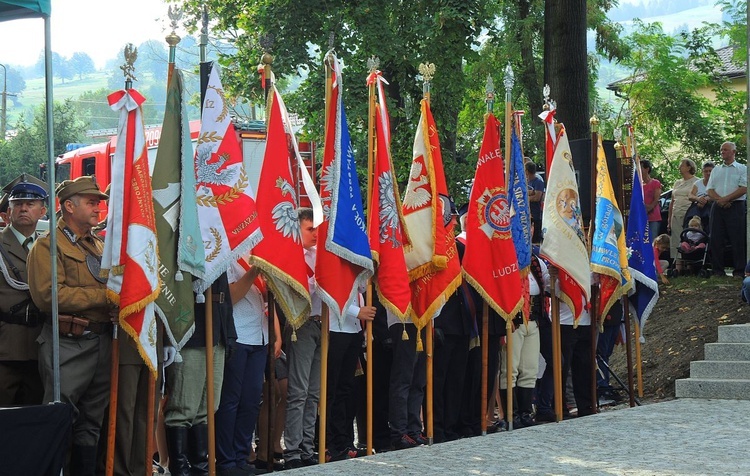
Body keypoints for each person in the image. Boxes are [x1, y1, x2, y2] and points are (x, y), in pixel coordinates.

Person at [27, 176, 113, 475]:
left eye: (99, 203)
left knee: (93, 420)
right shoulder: (48, 247)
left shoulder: (99, 246)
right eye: (91, 202)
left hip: (101, 340)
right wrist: (104, 297)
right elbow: (49, 296)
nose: (98, 208)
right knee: (60, 416)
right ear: (68, 206)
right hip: (68, 343)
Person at [164, 272, 236, 476]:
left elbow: (224, 295)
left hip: (217, 330)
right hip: (190, 331)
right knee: (184, 407)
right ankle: (180, 470)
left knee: (208, 408)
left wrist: (229, 333)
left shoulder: (217, 241)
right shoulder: (186, 241)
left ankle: (200, 469)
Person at [215, 259, 279, 476]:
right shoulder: (230, 255)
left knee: (251, 402)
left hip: (259, 337)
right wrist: (255, 271)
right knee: (230, 401)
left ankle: (241, 456)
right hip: (237, 335)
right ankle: (225, 461)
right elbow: (230, 297)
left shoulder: (257, 255)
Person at [0, 178, 48, 406]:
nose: (23, 209)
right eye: (17, 204)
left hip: (40, 344)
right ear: (8, 211)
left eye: (30, 204)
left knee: (33, 418)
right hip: (6, 345)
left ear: (43, 211)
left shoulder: (49, 248)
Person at [284, 207, 322, 469]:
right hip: (301, 323)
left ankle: (308, 447)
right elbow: (300, 289)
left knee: (314, 392)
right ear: (298, 228)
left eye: (316, 228)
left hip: (322, 322)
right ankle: (293, 450)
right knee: (299, 391)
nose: (315, 234)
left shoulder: (320, 255)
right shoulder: (292, 256)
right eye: (310, 229)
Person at [499, 240, 549, 428]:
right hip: (514, 319)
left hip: (534, 320)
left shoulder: (535, 261)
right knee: (510, 370)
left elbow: (547, 285)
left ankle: (525, 413)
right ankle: (511, 415)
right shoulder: (508, 260)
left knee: (529, 369)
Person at [325, 290, 375, 460]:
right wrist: (357, 311)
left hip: (354, 329)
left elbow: (360, 286)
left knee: (346, 389)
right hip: (335, 327)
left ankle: (344, 441)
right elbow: (329, 290)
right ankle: (328, 443)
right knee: (331, 389)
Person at [706, 141, 747, 278]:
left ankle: (739, 271)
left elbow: (743, 188)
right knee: (716, 238)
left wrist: (727, 199)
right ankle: (717, 270)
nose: (722, 152)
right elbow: (709, 189)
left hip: (736, 207)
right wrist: (720, 200)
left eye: (725, 149)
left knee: (737, 239)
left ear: (733, 152)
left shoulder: (742, 168)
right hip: (718, 207)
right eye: (721, 149)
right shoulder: (716, 169)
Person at [667, 158, 699, 256]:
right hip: (675, 214)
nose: (679, 167)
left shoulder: (696, 182)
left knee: (688, 239)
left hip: (688, 214)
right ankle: (677, 265)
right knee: (676, 240)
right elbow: (672, 201)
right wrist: (669, 219)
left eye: (682, 165)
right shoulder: (677, 183)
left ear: (689, 167)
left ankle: (689, 264)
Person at [687, 161, 715, 229]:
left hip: (711, 208)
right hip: (697, 208)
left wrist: (706, 200)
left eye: (710, 171)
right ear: (702, 172)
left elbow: (720, 196)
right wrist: (698, 199)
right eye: (705, 171)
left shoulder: (717, 183)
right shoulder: (697, 183)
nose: (708, 173)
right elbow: (690, 195)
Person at [640, 159, 662, 242]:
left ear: (647, 169)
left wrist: (648, 208)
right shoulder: (639, 184)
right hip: (641, 217)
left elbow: (656, 199)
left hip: (653, 217)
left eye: (641, 168)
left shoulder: (655, 183)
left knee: (652, 240)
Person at [525, 162, 545, 244]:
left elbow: (537, 197)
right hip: (527, 212)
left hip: (536, 212)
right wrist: (531, 192)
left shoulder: (538, 182)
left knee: (536, 235)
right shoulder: (527, 182)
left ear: (527, 171)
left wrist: (527, 197)